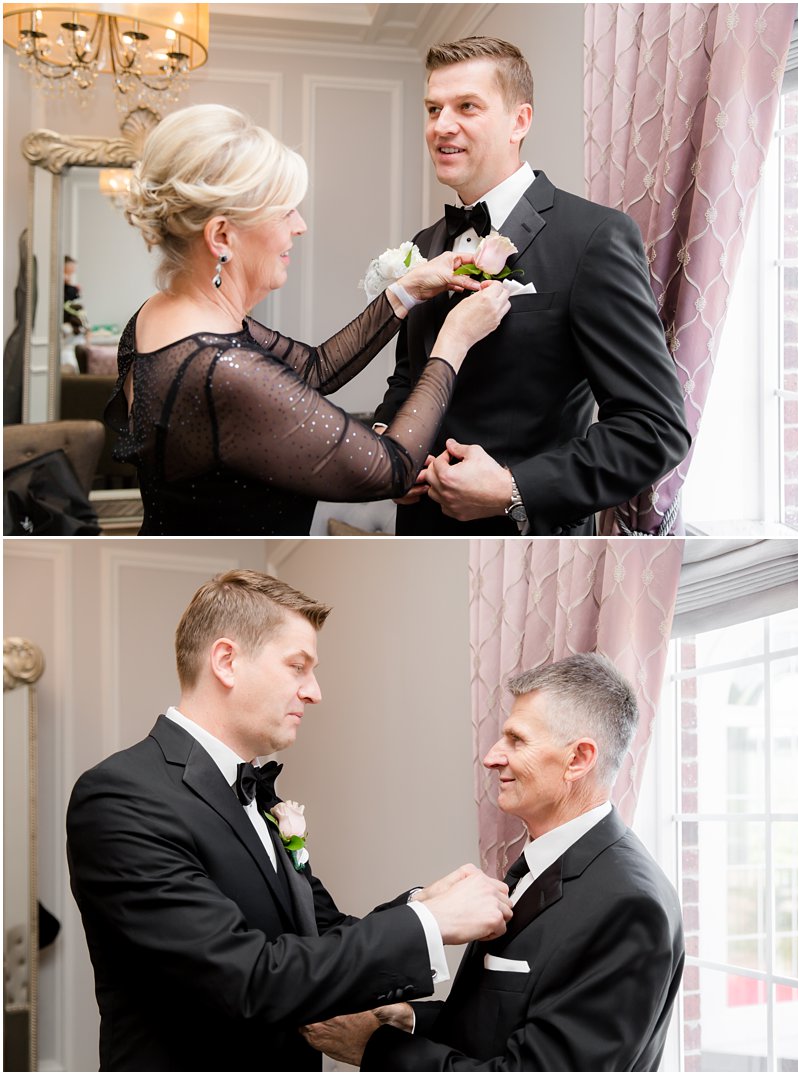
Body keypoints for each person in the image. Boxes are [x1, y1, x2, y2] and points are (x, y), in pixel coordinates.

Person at [66, 570, 515, 1071]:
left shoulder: (255, 791)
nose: (315, 692)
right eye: (298, 667)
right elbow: (248, 978)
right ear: (227, 661)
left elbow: (317, 936)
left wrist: (420, 903)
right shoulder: (121, 796)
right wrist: (429, 924)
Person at [106, 104, 516, 536]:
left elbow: (314, 368)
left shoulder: (158, 315)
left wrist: (407, 289)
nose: (299, 225)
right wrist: (452, 341)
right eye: (284, 211)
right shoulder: (222, 370)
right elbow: (393, 467)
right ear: (222, 236)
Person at [300, 653, 684, 1071]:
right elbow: (502, 1023)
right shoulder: (547, 859)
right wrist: (408, 1019)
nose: (491, 757)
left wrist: (371, 1048)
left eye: (517, 740)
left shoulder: (626, 905)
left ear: (578, 759)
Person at [373, 37, 690, 536]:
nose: (441, 126)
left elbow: (654, 428)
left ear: (520, 121)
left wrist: (513, 487)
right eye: (433, 108)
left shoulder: (593, 238)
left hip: (529, 545)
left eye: (467, 107)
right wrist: (385, 448)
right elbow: (409, 378)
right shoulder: (424, 244)